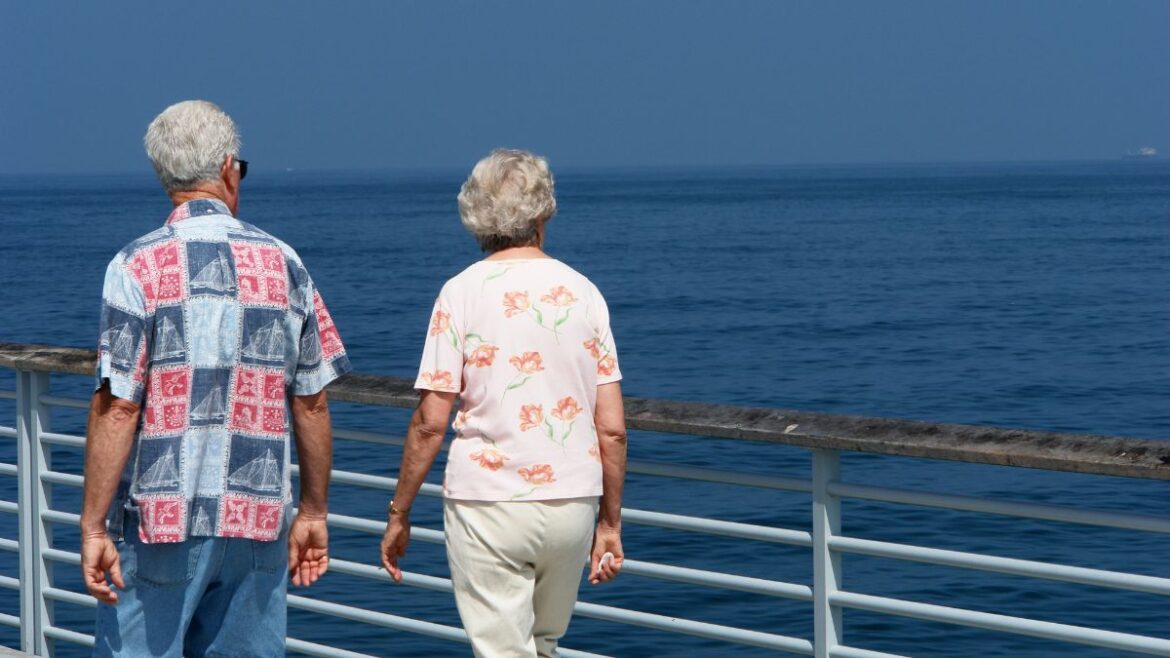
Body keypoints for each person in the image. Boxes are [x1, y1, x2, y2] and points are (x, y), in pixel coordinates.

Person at [80, 100, 352, 657]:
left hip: (164, 521)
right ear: (229, 168)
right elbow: (312, 402)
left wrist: (93, 528)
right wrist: (314, 511)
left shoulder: (135, 265)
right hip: (258, 520)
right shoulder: (284, 262)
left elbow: (120, 406)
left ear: (164, 175)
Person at [380, 148, 627, 657]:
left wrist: (399, 511)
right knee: (544, 644)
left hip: (487, 502)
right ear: (542, 214)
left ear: (476, 214)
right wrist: (610, 522)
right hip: (572, 500)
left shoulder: (461, 293)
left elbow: (430, 423)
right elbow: (612, 429)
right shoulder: (583, 293)